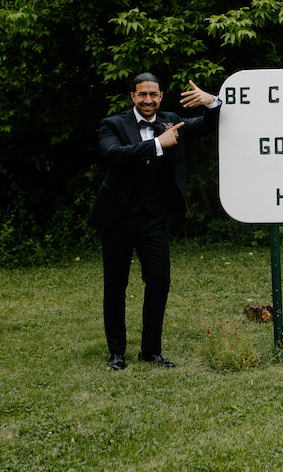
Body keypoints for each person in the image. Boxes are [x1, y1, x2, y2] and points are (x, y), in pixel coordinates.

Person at [88, 72, 221, 370]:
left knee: (159, 281)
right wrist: (158, 144)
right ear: (133, 97)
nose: (148, 100)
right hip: (116, 219)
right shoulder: (113, 124)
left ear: (160, 97)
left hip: (153, 220)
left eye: (154, 95)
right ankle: (117, 353)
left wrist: (212, 103)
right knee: (116, 285)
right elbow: (115, 155)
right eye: (142, 94)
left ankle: (151, 350)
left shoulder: (170, 119)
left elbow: (207, 127)